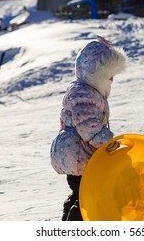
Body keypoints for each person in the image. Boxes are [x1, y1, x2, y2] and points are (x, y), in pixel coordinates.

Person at [50, 36, 127, 221]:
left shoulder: (87, 92)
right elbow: (87, 125)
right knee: (90, 197)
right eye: (109, 75)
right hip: (79, 157)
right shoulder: (83, 94)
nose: (112, 80)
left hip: (78, 156)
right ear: (96, 74)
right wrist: (107, 142)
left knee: (80, 194)